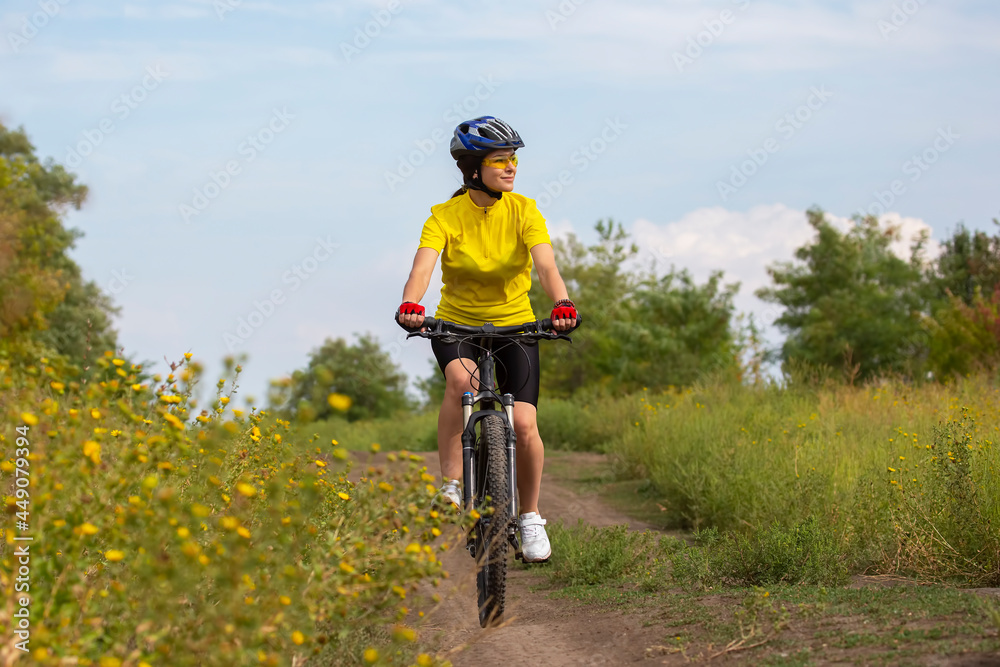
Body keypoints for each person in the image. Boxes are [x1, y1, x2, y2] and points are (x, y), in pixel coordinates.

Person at [396, 116, 578, 563]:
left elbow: (547, 267)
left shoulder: (525, 211)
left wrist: (563, 304)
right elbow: (423, 268)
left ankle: (531, 516)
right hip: (457, 326)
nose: (511, 167)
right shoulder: (444, 216)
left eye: (514, 159)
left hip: (516, 326)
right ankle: (452, 486)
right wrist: (410, 304)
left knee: (524, 424)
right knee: (462, 385)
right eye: (501, 160)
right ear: (474, 168)